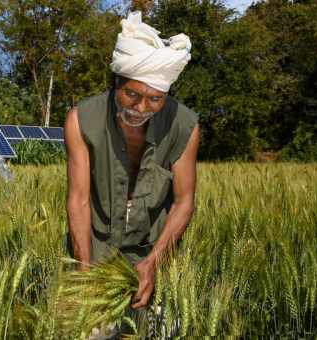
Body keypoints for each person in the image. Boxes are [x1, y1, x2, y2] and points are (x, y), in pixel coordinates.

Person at [64, 10, 200, 325]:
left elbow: (183, 202)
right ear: (116, 83)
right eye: (132, 94)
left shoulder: (185, 126)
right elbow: (79, 200)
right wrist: (84, 272)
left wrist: (154, 262)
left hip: (152, 247)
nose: (141, 108)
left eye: (155, 100)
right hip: (94, 244)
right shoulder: (80, 120)